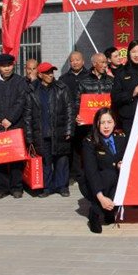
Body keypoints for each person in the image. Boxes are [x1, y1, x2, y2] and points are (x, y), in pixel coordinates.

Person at [25, 62, 74, 197]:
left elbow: (70, 110)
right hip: (41, 132)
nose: (51, 75)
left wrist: (69, 130)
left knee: (61, 160)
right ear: (40, 75)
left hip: (60, 131)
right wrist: (29, 136)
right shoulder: (32, 90)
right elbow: (28, 115)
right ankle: (47, 187)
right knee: (45, 162)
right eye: (47, 73)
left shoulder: (61, 88)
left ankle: (62, 186)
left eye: (52, 72)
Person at [0, 54, 28, 199]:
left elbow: (21, 101)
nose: (7, 68)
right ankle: (2, 188)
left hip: (14, 126)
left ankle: (16, 187)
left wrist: (11, 119)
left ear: (13, 66)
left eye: (9, 65)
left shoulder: (20, 82)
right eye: (3, 66)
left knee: (16, 159)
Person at [79, 108, 127, 234]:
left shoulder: (121, 138)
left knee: (115, 176)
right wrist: (101, 198)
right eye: (102, 123)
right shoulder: (89, 142)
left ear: (114, 123)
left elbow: (125, 158)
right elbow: (91, 172)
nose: (106, 126)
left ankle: (109, 210)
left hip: (113, 181)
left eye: (109, 122)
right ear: (97, 124)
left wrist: (121, 164)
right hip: (94, 183)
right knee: (109, 174)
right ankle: (95, 212)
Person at [73, 53, 113, 180]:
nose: (105, 65)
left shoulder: (111, 81)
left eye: (106, 62)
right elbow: (77, 103)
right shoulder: (84, 81)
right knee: (91, 155)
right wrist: (77, 115)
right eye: (102, 62)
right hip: (89, 127)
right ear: (94, 64)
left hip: (106, 126)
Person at [59, 51, 90, 184]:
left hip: (87, 118)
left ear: (83, 61)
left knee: (86, 146)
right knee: (71, 146)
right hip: (70, 118)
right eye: (72, 60)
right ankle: (73, 173)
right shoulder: (63, 79)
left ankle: (86, 172)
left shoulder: (90, 76)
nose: (75, 62)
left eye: (77, 60)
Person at [111, 40, 138, 134]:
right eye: (133, 52)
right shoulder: (121, 73)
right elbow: (115, 97)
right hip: (128, 120)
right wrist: (132, 93)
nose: (136, 55)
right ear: (129, 53)